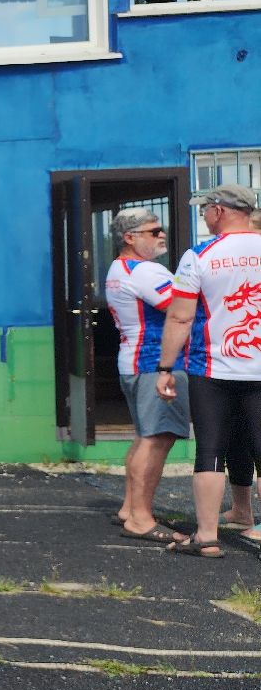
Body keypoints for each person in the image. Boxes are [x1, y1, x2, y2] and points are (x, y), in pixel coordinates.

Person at [156, 183, 261, 558]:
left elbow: (180, 317)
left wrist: (165, 367)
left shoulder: (198, 256)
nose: (203, 215)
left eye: (205, 209)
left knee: (211, 450)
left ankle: (207, 537)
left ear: (219, 210)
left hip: (212, 368)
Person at [101, 208, 193, 544]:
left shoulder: (118, 268)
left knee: (145, 437)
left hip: (137, 362)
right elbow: (183, 307)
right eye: (153, 230)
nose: (161, 234)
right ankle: (140, 518)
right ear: (130, 237)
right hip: (156, 364)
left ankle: (130, 509)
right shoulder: (146, 271)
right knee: (156, 439)